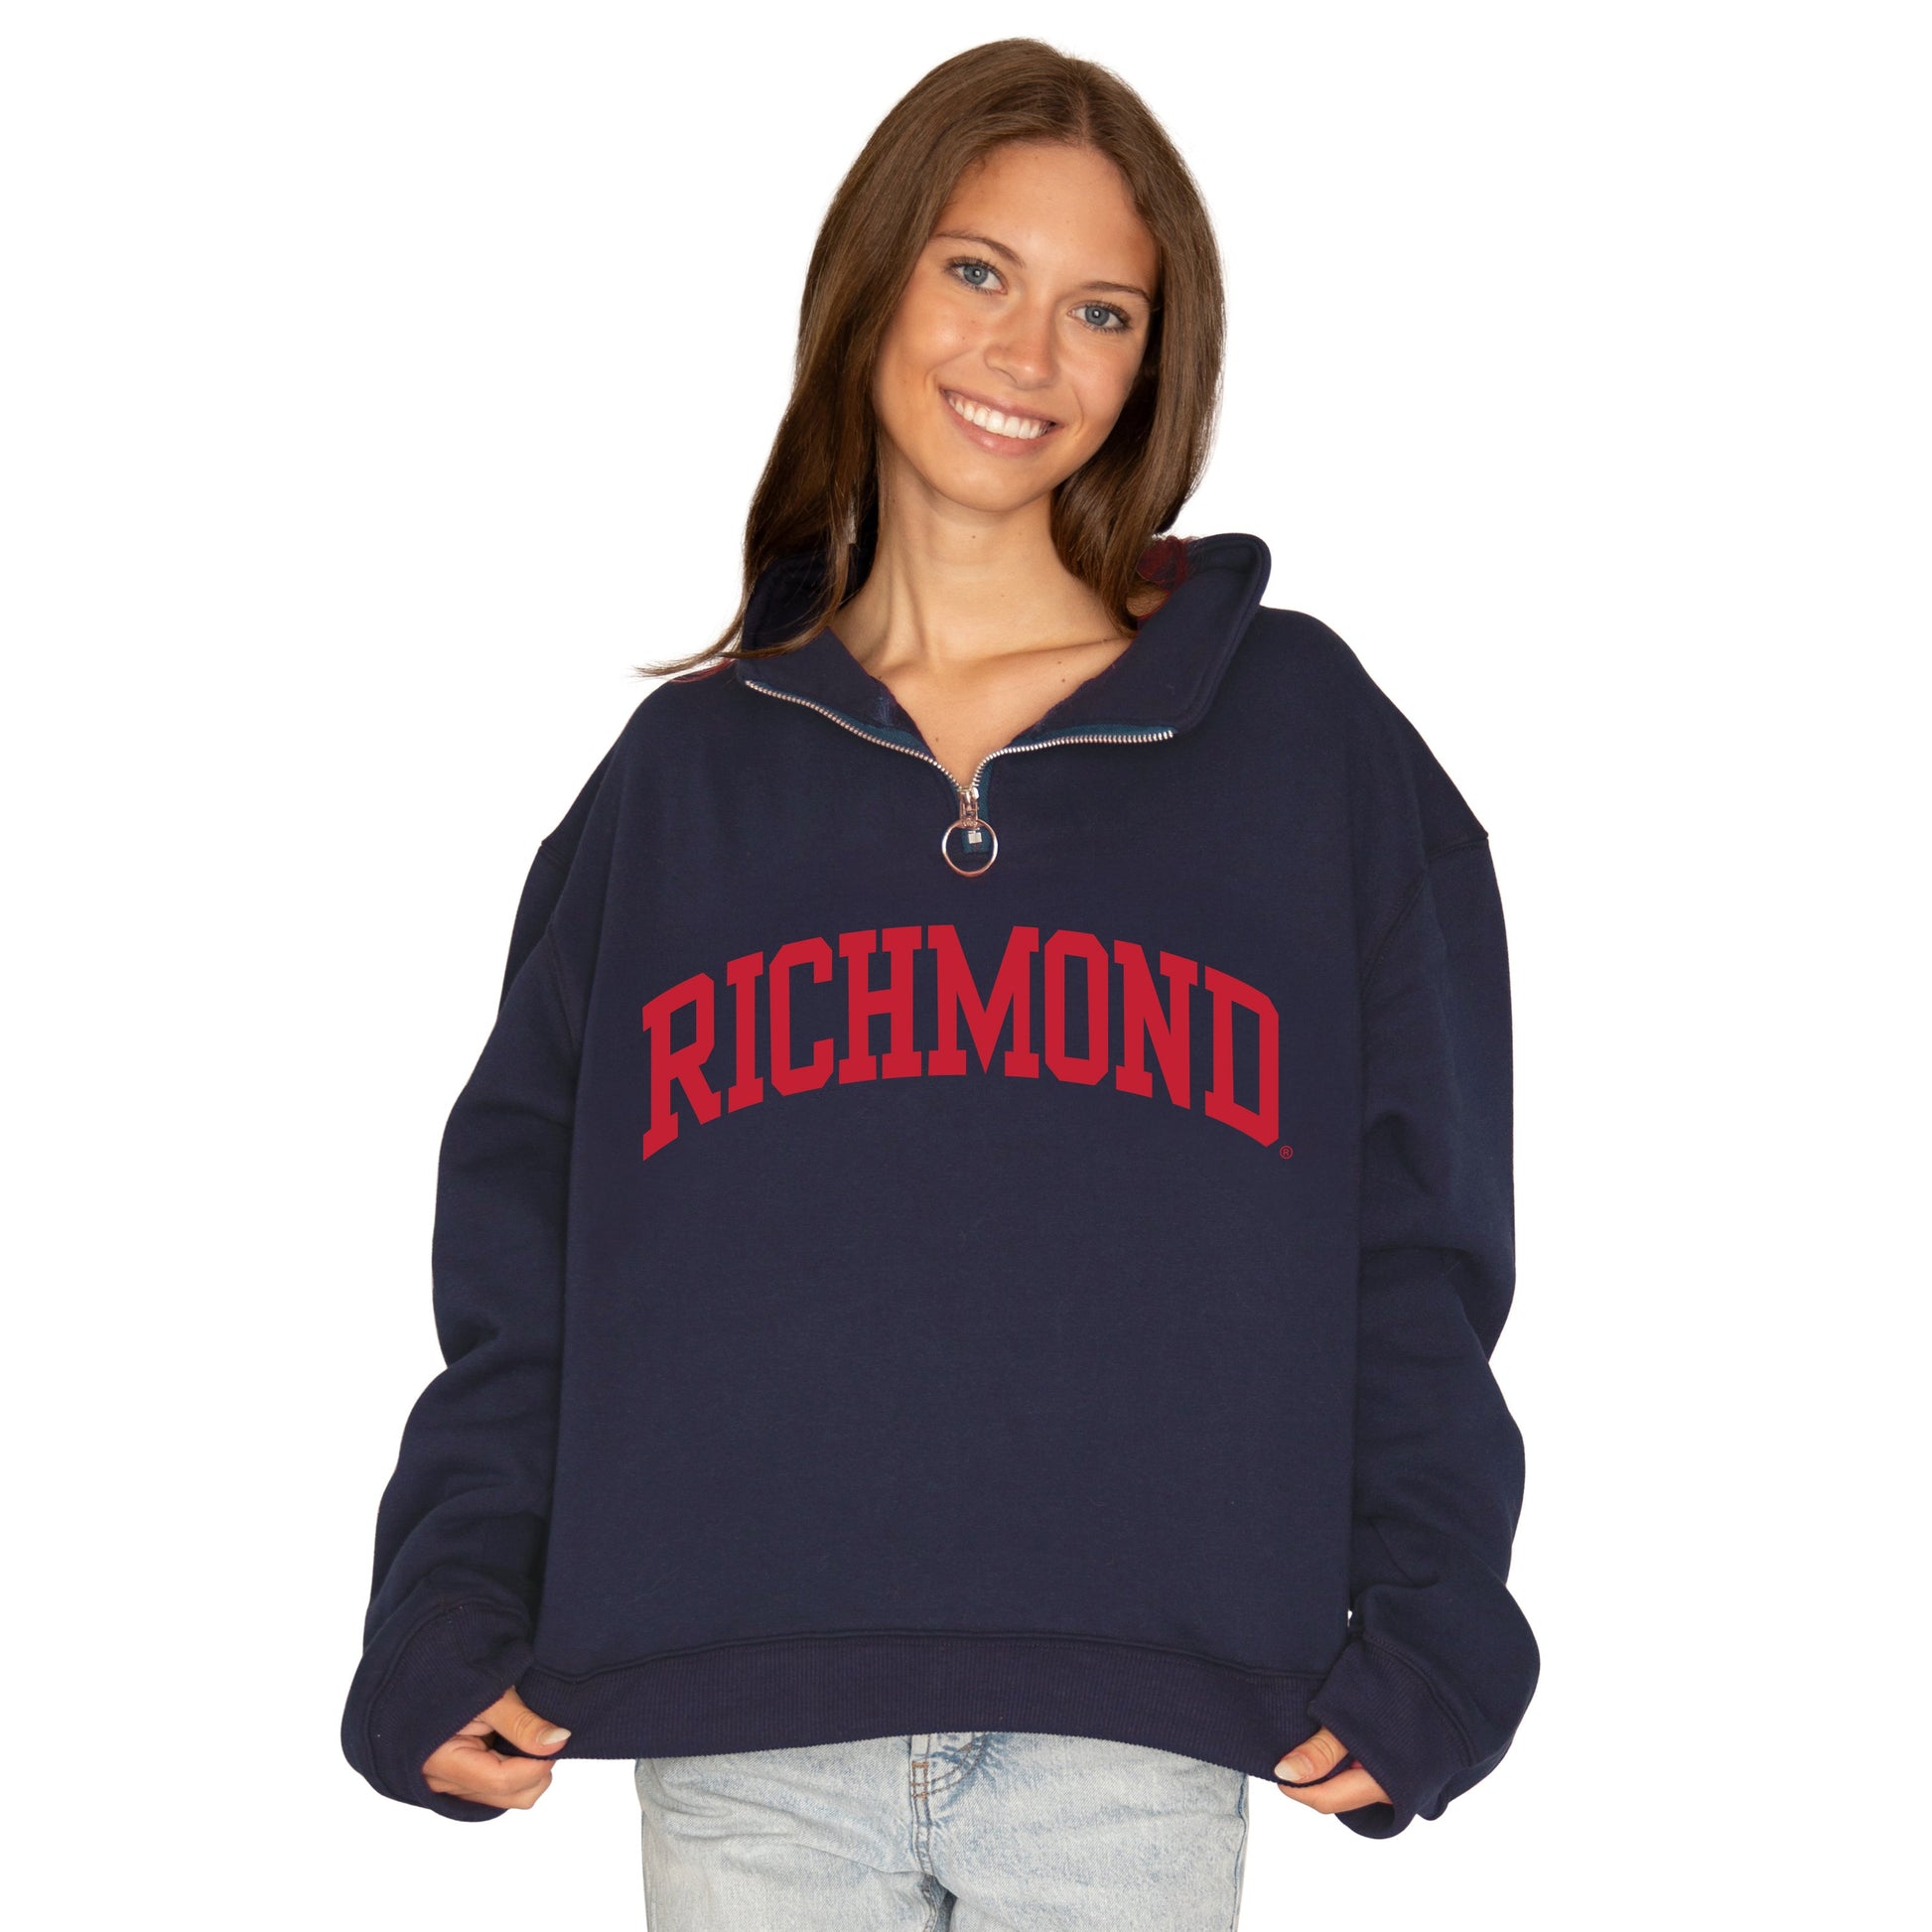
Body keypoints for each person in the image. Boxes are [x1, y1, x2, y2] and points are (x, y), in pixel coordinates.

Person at [340, 37, 1539, 1927]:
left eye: (1100, 310)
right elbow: (524, 1248)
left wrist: (1437, 1622)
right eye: (977, 270)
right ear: (873, 283)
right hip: (738, 1716)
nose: (1026, 353)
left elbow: (1419, 1234)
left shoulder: (1302, 742)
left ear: (1153, 364)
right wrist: (447, 1600)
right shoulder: (686, 781)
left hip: (1140, 1723)